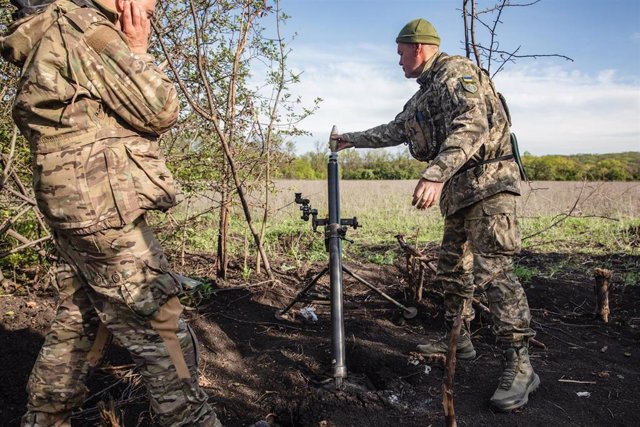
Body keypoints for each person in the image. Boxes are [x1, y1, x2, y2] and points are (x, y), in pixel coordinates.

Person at [1, 0, 223, 425]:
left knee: (81, 317)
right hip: (102, 209)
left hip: (72, 203)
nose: (153, 5)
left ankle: (45, 417)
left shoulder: (48, 29)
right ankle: (190, 418)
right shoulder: (87, 30)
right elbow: (160, 107)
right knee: (163, 327)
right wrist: (137, 48)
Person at [331, 18, 539, 412]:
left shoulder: (456, 73)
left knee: (493, 272)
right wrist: (351, 140)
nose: (397, 61)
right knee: (451, 269)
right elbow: (397, 129)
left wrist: (435, 174)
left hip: (490, 186)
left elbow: (471, 125)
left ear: (419, 48)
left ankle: (521, 364)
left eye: (400, 52)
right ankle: (458, 339)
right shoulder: (425, 93)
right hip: (462, 194)